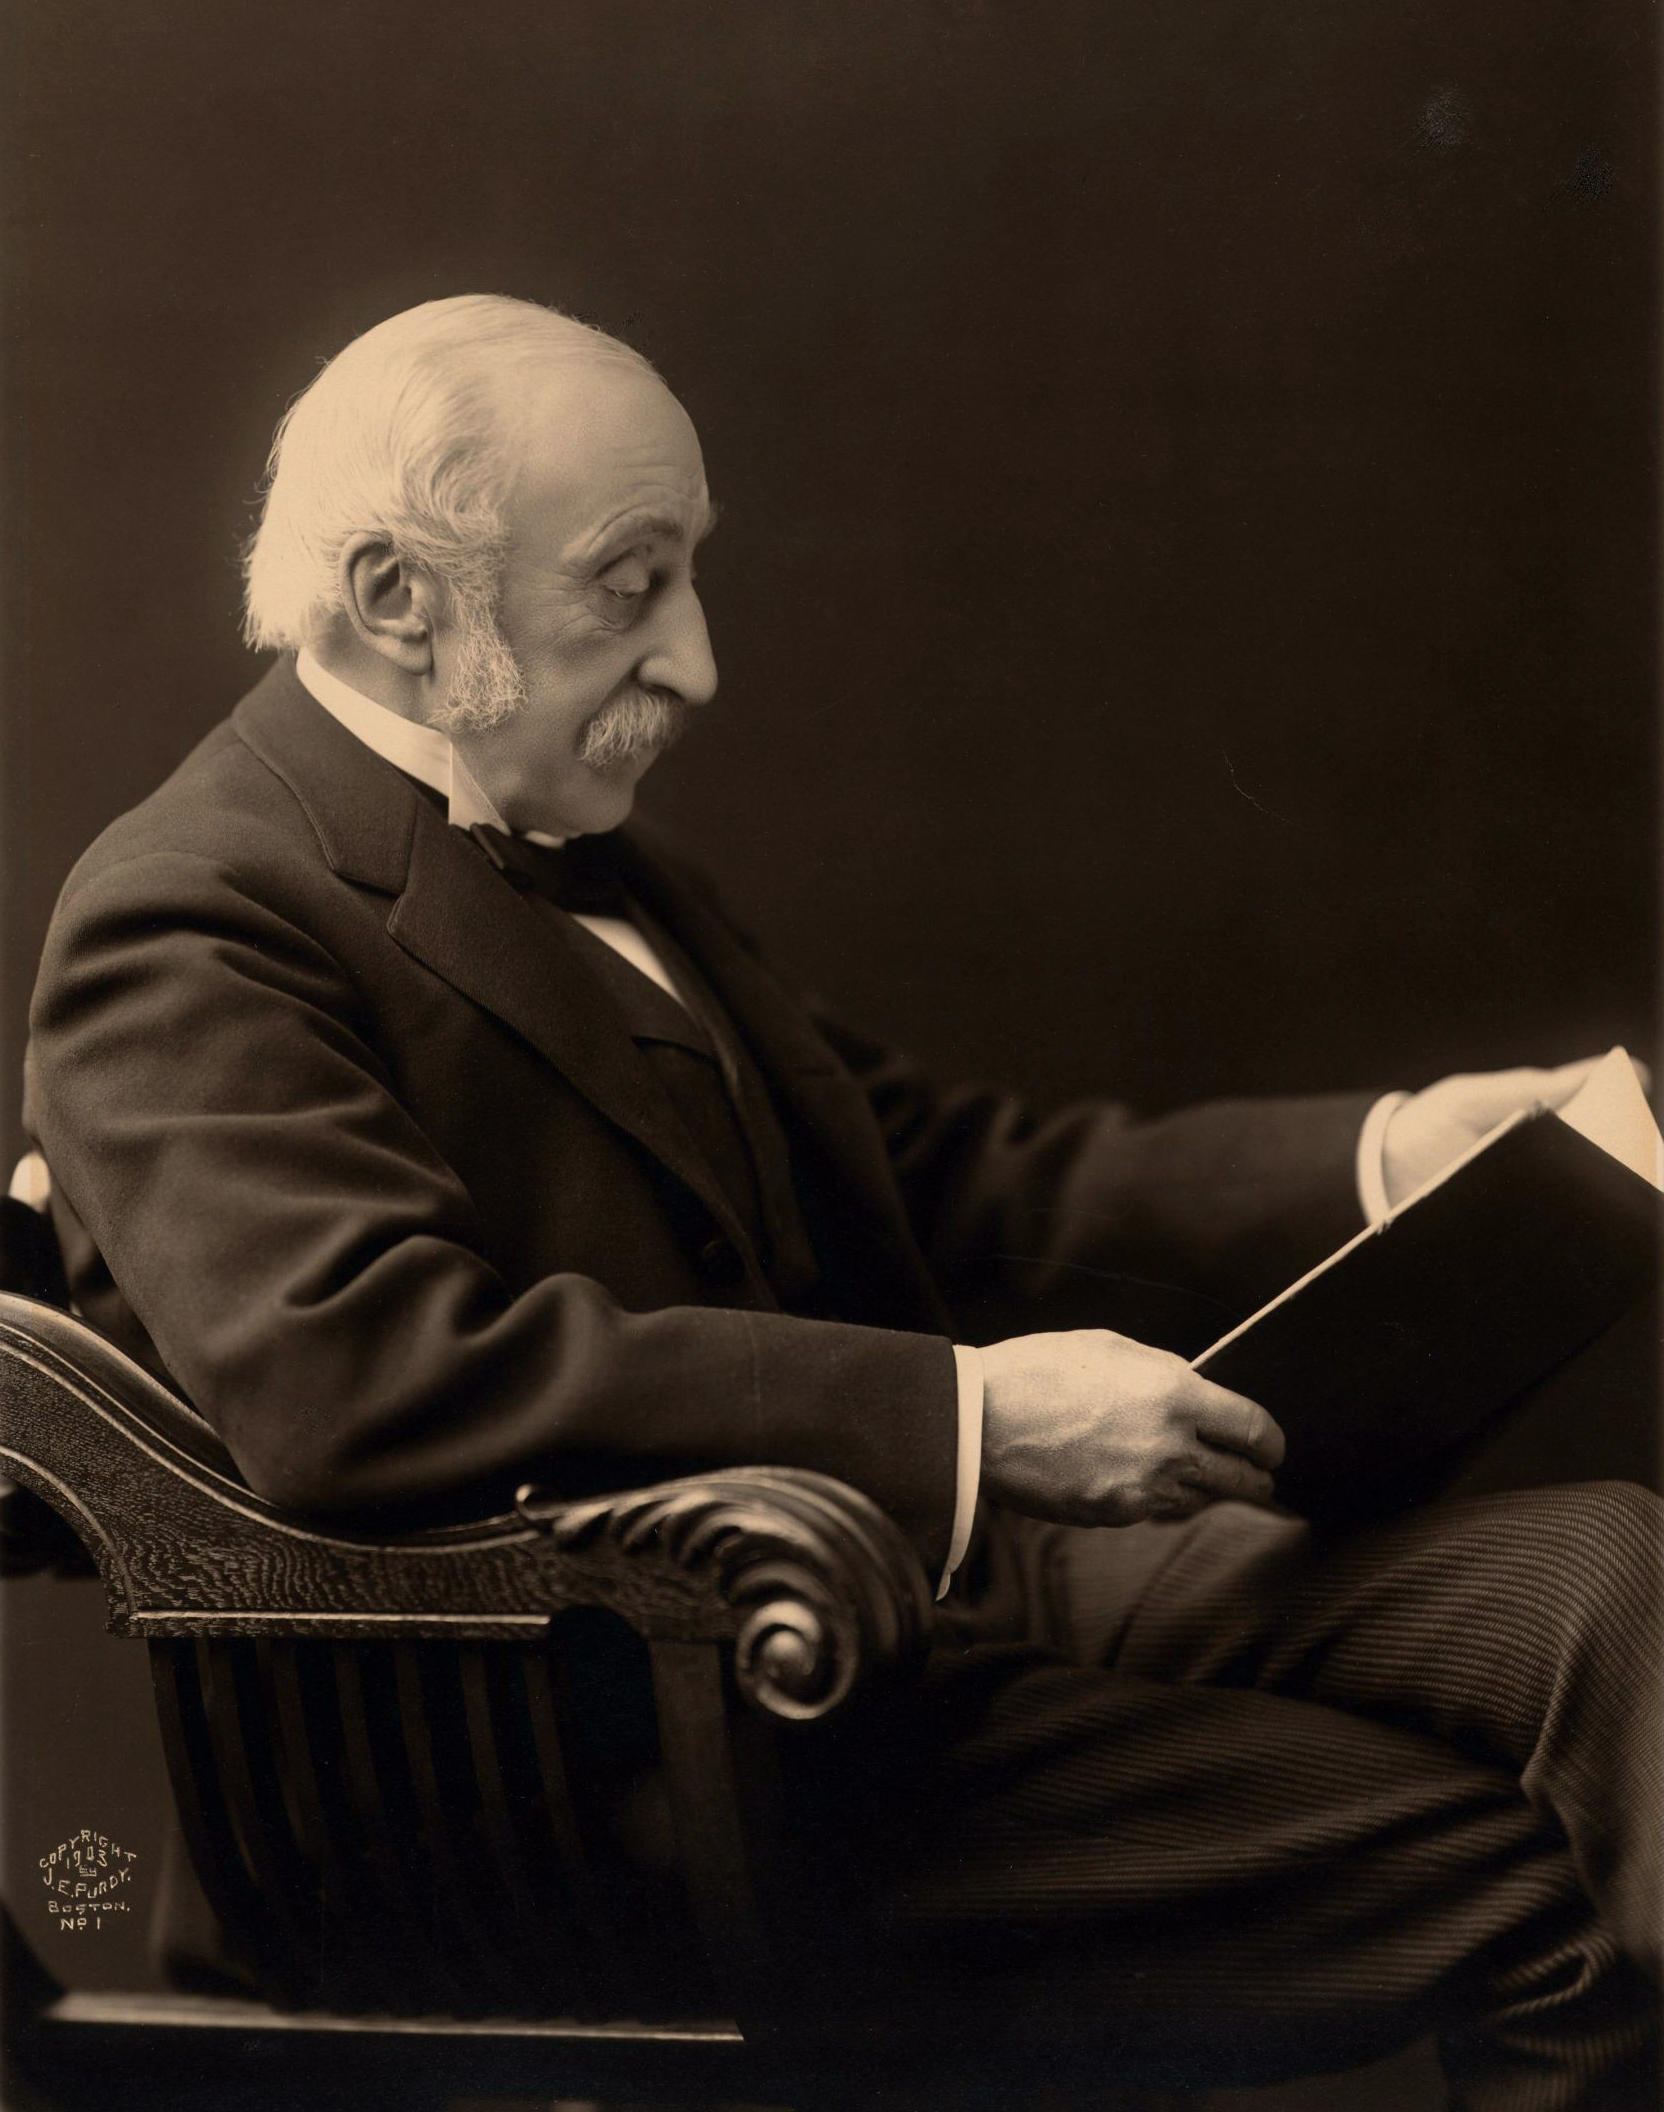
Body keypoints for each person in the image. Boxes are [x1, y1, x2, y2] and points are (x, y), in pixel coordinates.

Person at [24, 295, 1659, 2106]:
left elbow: (944, 1172)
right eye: (631, 586)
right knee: (1537, 1886)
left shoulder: (590, 848)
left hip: (904, 1619)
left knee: (1609, 1571)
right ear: (399, 596)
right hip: (641, 1761)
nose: (701, 662)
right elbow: (370, 1374)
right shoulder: (188, 916)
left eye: (691, 577)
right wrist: (969, 1419)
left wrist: (1386, 1152)